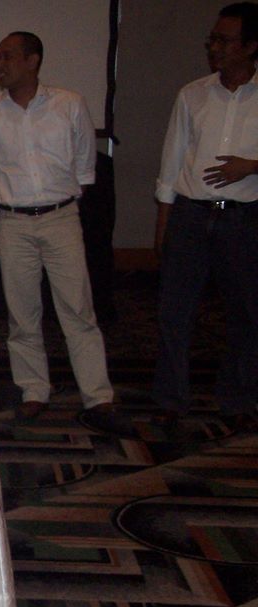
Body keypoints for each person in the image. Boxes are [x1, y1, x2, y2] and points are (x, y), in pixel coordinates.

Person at [0, 31, 127, 433]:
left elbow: (84, 166)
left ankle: (98, 396)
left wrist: (58, 201)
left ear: (33, 60)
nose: (0, 65)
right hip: (13, 221)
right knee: (22, 313)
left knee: (78, 310)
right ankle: (34, 390)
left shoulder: (68, 104)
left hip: (61, 217)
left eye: (8, 56)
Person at [152, 2, 258, 433]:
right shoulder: (192, 94)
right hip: (190, 216)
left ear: (251, 46)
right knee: (174, 313)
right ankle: (170, 400)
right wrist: (164, 223)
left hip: (245, 219)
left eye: (224, 40)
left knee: (246, 314)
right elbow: (172, 160)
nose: (215, 47)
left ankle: (237, 398)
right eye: (212, 39)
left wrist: (252, 166)